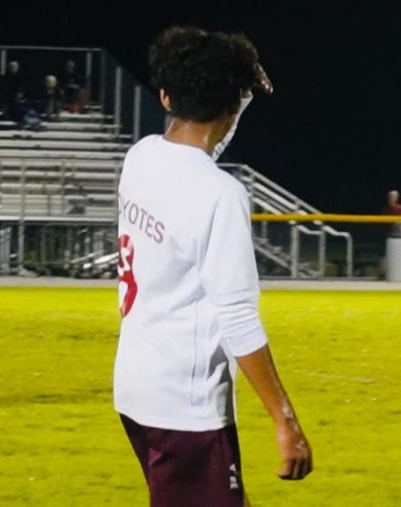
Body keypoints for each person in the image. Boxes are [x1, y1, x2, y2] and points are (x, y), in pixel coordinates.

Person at [113, 26, 312, 507]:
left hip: (136, 391)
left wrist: (235, 97)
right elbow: (239, 320)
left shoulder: (140, 157)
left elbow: (195, 151)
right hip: (186, 409)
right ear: (232, 106)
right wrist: (285, 420)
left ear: (164, 96)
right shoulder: (220, 195)